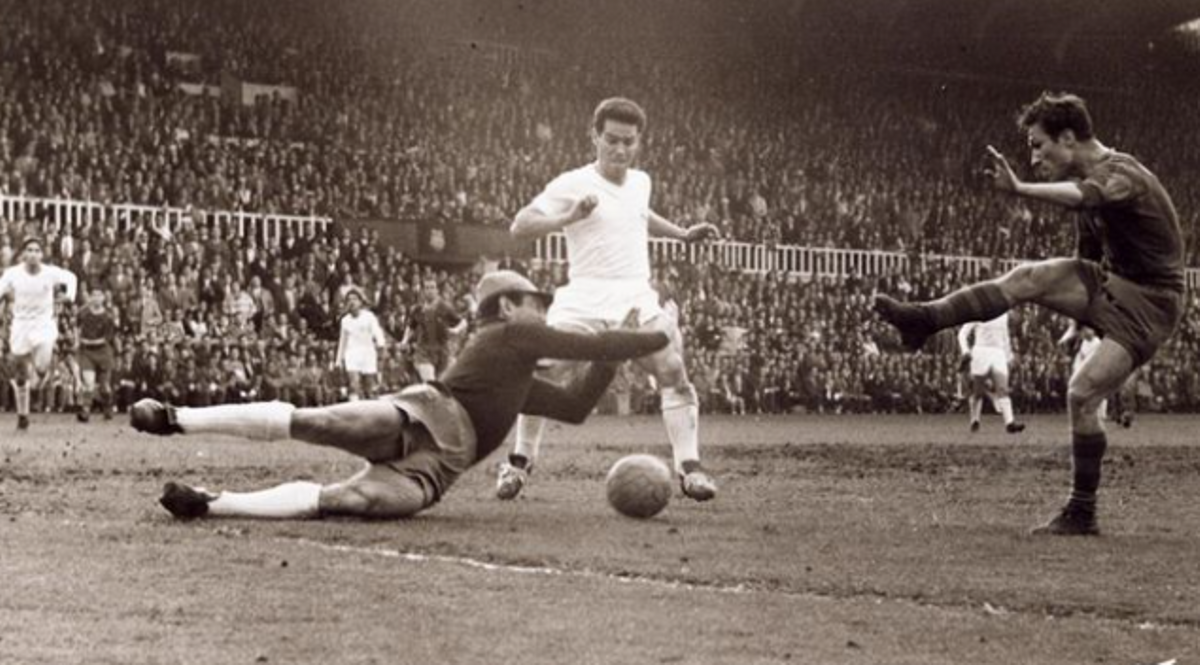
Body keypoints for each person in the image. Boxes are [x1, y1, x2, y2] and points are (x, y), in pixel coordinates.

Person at [874, 92, 1185, 536]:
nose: (1033, 156)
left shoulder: (1122, 174)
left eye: (1039, 145)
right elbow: (1089, 255)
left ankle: (1081, 512)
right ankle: (924, 319)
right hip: (1115, 286)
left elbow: (1085, 197)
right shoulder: (1092, 187)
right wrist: (1081, 321)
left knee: (1082, 393)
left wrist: (1020, 189)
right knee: (1028, 277)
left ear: (1068, 137)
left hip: (1153, 303)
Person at [132, 271, 670, 521]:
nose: (542, 310)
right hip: (428, 412)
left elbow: (575, 407)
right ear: (507, 306)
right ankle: (178, 418)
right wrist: (658, 333)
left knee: (350, 500)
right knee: (321, 422)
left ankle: (210, 503)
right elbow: (590, 344)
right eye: (535, 301)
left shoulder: (517, 371)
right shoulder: (509, 334)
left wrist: (618, 351)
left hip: (441, 468)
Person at [497, 97, 720, 502]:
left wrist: (683, 233)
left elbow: (639, 214)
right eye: (612, 140)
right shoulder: (572, 183)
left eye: (629, 142)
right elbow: (520, 225)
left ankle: (690, 469)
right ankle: (518, 462)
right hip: (583, 295)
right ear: (595, 137)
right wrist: (569, 217)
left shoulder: (641, 181)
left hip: (635, 294)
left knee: (672, 368)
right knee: (545, 370)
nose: (620, 149)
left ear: (639, 142)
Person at [0, 237, 78, 430]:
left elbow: (72, 278)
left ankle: (40, 378)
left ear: (41, 255)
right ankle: (23, 416)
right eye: (30, 250)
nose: (33, 254)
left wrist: (69, 296)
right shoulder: (13, 273)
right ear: (24, 254)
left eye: (37, 250)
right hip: (20, 326)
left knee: (42, 368)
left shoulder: (50, 272)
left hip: (44, 325)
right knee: (20, 374)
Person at [957, 311, 1026, 434]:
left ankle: (1010, 423)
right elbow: (962, 333)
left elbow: (1005, 337)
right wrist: (965, 351)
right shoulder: (977, 312)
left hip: (998, 354)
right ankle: (975, 420)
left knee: (1003, 389)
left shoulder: (1003, 314)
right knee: (978, 391)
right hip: (980, 352)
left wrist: (1009, 356)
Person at [399, 278, 466, 382]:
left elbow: (462, 322)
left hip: (443, 351)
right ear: (423, 291)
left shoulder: (445, 307)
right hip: (424, 350)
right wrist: (404, 340)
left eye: (432, 287)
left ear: (437, 290)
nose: (429, 290)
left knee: (442, 384)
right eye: (427, 288)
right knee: (430, 383)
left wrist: (456, 330)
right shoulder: (417, 309)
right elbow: (411, 326)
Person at [335, 288, 388, 401]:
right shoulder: (345, 321)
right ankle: (354, 412)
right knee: (353, 385)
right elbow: (342, 342)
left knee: (370, 388)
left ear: (360, 302)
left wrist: (381, 346)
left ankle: (373, 412)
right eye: (349, 300)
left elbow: (378, 334)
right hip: (352, 354)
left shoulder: (369, 317)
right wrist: (338, 360)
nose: (352, 302)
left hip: (368, 354)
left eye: (354, 299)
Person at [76, 289, 118, 421]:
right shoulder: (84, 314)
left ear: (103, 299)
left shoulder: (108, 317)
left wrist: (88, 341)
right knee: (88, 383)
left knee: (104, 386)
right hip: (88, 352)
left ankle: (108, 407)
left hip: (103, 352)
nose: (95, 298)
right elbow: (76, 325)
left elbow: (107, 338)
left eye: (98, 296)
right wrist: (78, 339)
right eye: (93, 295)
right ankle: (85, 411)